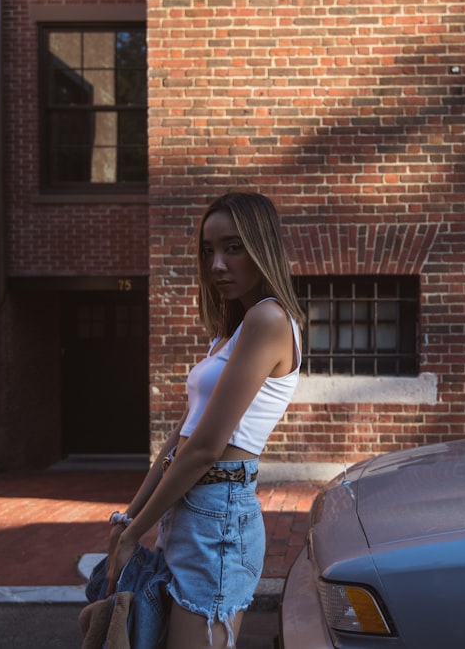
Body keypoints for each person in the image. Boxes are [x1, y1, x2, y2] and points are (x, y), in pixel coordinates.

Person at [104, 192, 304, 649]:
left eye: (233, 247)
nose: (217, 264)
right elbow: (181, 436)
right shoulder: (230, 331)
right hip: (192, 508)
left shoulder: (268, 319)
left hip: (219, 514)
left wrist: (136, 533)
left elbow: (206, 447)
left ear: (262, 247)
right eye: (208, 250)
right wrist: (128, 515)